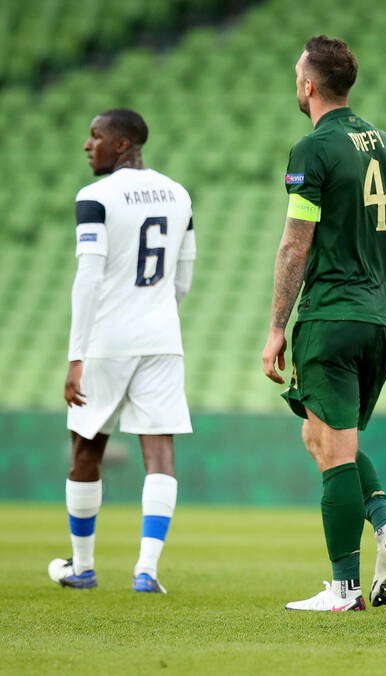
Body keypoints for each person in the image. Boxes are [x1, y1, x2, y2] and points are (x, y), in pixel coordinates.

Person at [261, 36, 386, 612]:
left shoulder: (312, 148)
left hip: (331, 314)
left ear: (309, 86)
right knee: (320, 437)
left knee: (337, 449)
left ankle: (345, 589)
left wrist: (277, 325)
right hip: (377, 318)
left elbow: (296, 243)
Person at [50, 109, 196, 594]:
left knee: (86, 448)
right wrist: (156, 314)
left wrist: (76, 356)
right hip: (161, 338)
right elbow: (183, 279)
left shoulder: (94, 197)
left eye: (96, 136)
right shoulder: (178, 194)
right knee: (159, 454)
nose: (87, 144)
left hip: (108, 340)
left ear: (121, 144)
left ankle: (83, 566)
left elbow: (88, 278)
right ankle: (147, 571)